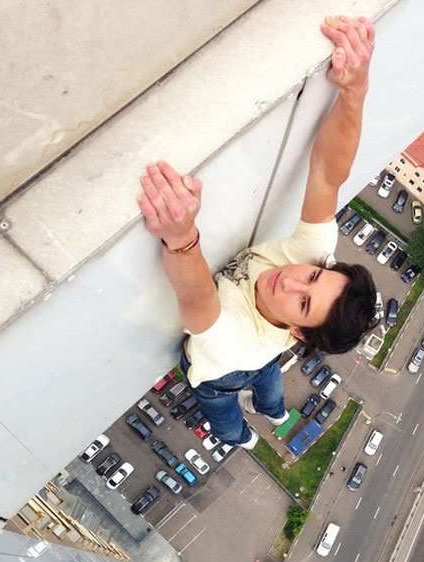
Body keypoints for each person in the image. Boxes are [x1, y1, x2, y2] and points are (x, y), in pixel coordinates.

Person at [137, 16, 377, 449]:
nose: (291, 278)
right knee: (268, 380)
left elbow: (198, 300)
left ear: (299, 332)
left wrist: (181, 235)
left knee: (224, 415)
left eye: (303, 302)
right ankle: (274, 411)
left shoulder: (232, 344)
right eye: (314, 277)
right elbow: (327, 172)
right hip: (266, 352)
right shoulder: (307, 261)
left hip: (221, 372)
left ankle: (243, 438)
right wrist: (354, 92)